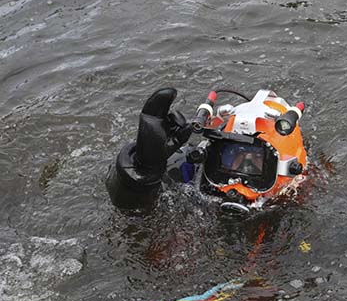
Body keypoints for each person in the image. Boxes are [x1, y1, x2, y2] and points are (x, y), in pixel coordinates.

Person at [106, 87, 307, 214]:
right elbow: (135, 215)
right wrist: (139, 178)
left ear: (287, 169)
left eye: (254, 163)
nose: (238, 177)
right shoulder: (195, 175)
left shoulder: (303, 197)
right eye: (232, 156)